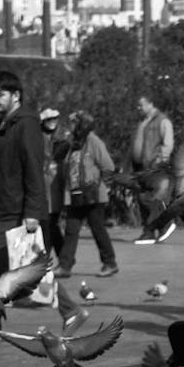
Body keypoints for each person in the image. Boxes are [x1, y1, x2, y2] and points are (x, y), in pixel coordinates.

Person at [0, 71, 84, 329]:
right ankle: (72, 312)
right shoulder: (3, 126)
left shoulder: (26, 125)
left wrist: (33, 211)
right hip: (6, 208)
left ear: (16, 96)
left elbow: (33, 169)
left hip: (19, 210)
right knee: (25, 272)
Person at [55, 111, 118, 278]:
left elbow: (108, 166)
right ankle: (65, 265)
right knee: (70, 231)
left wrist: (102, 185)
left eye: (74, 123)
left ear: (82, 125)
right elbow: (61, 159)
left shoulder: (94, 142)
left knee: (98, 229)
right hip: (74, 195)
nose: (71, 127)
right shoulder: (73, 143)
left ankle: (110, 263)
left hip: (93, 196)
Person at [130, 91, 175, 244]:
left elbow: (168, 144)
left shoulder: (162, 121)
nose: (139, 108)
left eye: (141, 105)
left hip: (154, 167)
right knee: (143, 198)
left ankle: (166, 223)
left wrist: (159, 160)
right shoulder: (144, 121)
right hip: (141, 167)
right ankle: (148, 232)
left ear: (151, 104)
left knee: (151, 198)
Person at [39, 107, 69, 257]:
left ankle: (56, 258)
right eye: (49, 119)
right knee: (49, 224)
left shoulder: (62, 138)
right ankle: (63, 257)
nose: (52, 122)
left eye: (54, 119)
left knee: (50, 224)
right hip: (45, 184)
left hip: (56, 184)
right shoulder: (39, 137)